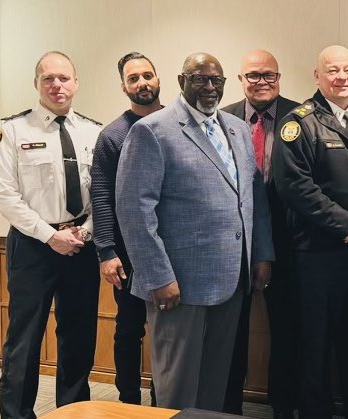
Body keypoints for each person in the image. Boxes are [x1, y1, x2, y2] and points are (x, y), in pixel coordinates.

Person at [115, 52, 274, 411]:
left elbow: (253, 199)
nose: (209, 87)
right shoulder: (152, 131)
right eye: (200, 79)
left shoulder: (236, 128)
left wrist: (261, 254)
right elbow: (134, 212)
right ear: (181, 81)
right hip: (179, 286)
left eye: (216, 80)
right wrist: (158, 276)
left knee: (215, 385)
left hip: (233, 280)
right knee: (178, 389)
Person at [272, 45, 348, 419]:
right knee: (315, 348)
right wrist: (345, 225)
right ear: (317, 76)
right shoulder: (299, 122)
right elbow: (293, 186)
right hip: (318, 255)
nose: (341, 77)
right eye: (333, 70)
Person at [0, 51, 102, 419]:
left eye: (64, 78)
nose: (57, 85)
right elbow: (4, 194)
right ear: (36, 84)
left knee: (79, 335)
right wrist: (49, 236)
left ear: (76, 82)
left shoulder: (93, 131)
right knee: (25, 337)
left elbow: (102, 194)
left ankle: (73, 410)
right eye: (48, 78)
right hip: (33, 245)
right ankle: (17, 414)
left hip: (81, 246)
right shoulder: (13, 130)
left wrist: (84, 233)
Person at [221, 49, 299, 419]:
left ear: (279, 78)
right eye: (253, 75)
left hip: (291, 244)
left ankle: (282, 407)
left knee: (287, 331)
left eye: (269, 74)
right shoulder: (222, 118)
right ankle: (229, 408)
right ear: (240, 80)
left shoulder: (301, 117)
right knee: (232, 332)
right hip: (233, 244)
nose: (261, 81)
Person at [91, 52, 162, 405]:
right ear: (124, 87)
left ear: (159, 79)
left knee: (170, 334)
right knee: (129, 330)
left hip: (175, 249)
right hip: (129, 254)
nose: (142, 83)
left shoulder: (179, 124)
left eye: (147, 75)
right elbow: (101, 196)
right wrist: (106, 251)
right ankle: (129, 401)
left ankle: (166, 399)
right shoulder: (113, 136)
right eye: (133, 78)